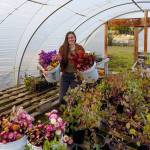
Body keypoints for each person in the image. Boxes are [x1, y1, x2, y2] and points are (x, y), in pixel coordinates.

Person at [59, 31, 85, 104]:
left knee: (76, 98)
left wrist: (81, 65)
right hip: (65, 75)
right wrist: (59, 59)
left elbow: (84, 60)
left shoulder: (80, 48)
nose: (70, 39)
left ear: (75, 38)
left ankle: (75, 112)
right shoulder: (63, 48)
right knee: (61, 98)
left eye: (72, 37)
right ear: (66, 39)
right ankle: (65, 110)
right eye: (68, 38)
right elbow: (61, 61)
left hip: (76, 75)